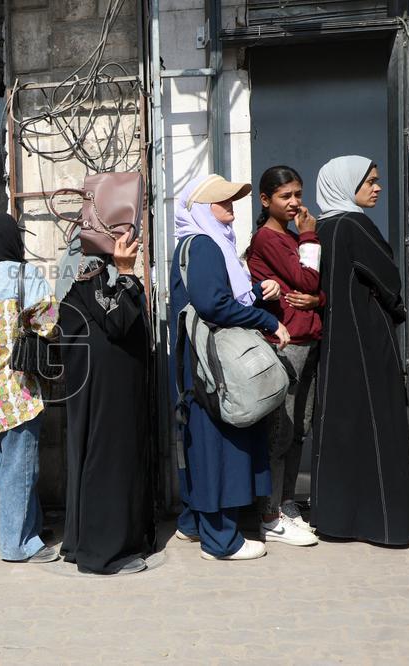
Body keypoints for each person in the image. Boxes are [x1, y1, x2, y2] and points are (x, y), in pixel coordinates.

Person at [170, 174, 290, 561]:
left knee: (206, 441)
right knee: (217, 444)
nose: (232, 210)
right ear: (202, 209)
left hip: (202, 362)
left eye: (233, 202)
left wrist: (256, 292)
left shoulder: (205, 243)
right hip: (211, 366)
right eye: (223, 203)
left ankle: (193, 524)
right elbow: (212, 305)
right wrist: (268, 320)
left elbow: (219, 297)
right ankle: (220, 540)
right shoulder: (204, 245)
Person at [311, 156, 409, 546]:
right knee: (380, 421)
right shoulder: (354, 225)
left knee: (340, 425)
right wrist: (396, 309)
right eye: (369, 181)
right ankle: (385, 523)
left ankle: (336, 520)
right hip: (366, 341)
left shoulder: (319, 228)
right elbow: (389, 277)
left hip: (332, 342)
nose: (377, 187)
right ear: (347, 184)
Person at [58, 234, 157, 575]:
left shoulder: (90, 272)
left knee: (94, 457)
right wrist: (127, 273)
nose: (130, 244)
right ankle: (102, 553)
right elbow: (116, 320)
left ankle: (85, 542)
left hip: (103, 390)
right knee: (105, 461)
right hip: (104, 394)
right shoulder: (90, 273)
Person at [0, 212, 59, 564]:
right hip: (17, 383)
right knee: (22, 466)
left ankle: (28, 530)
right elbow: (47, 323)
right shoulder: (26, 274)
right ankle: (16, 544)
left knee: (5, 464)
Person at [245, 166, 322, 547]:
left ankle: (288, 505)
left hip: (308, 341)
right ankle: (269, 513)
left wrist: (317, 300)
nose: (294, 203)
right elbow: (307, 279)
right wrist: (309, 234)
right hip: (286, 344)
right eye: (285, 196)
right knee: (282, 430)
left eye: (297, 194)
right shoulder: (269, 239)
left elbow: (313, 289)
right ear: (265, 200)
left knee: (299, 429)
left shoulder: (290, 237)